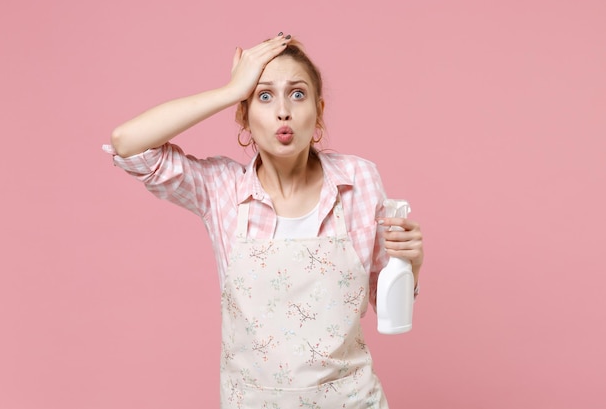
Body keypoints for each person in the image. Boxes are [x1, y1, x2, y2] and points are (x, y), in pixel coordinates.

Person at [104, 33, 424, 409]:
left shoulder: (358, 181)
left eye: (298, 94)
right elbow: (128, 144)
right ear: (244, 113)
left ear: (318, 111)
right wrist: (230, 90)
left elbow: (387, 308)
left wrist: (410, 264)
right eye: (265, 95)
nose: (283, 111)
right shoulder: (222, 190)